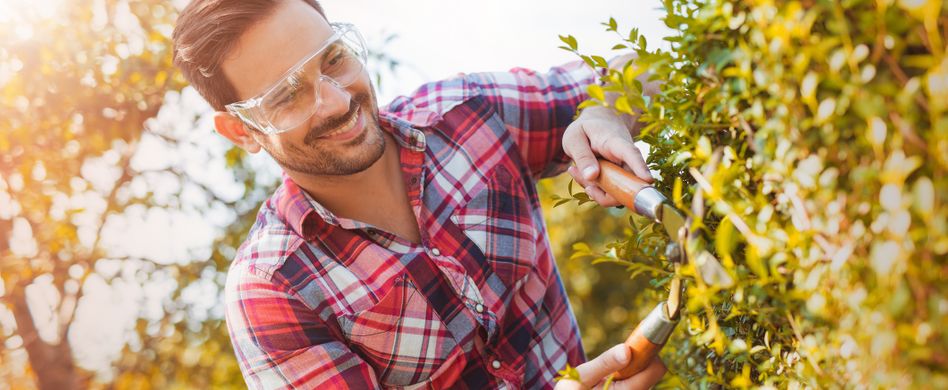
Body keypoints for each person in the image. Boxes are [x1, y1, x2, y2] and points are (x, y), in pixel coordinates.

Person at [172, 0, 665, 388]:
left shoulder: (469, 113)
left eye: (334, 60)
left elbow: (644, 71)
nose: (338, 101)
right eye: (286, 95)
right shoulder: (273, 288)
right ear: (242, 132)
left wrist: (607, 111)